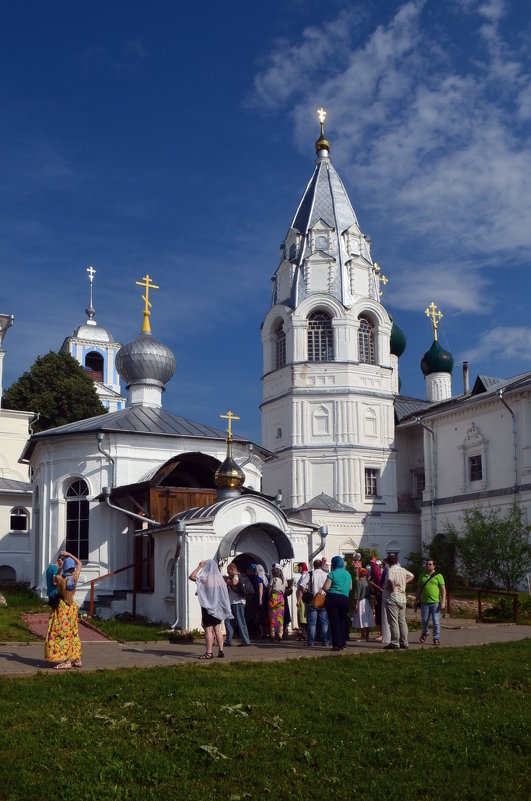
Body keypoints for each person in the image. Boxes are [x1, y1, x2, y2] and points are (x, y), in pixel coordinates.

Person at [44, 550, 82, 670]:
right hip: (73, 608)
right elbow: (80, 563)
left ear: (64, 567)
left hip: (62, 608)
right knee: (73, 633)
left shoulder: (61, 579)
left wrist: (60, 568)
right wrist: (70, 555)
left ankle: (67, 661)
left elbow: (54, 580)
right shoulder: (74, 578)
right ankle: (77, 659)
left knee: (61, 634)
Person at [189, 559, 232, 659]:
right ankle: (221, 651)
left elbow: (191, 577)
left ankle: (209, 653)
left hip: (208, 607)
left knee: (208, 630)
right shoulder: (219, 579)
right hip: (217, 608)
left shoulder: (205, 577)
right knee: (217, 630)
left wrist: (200, 566)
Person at [384, 553, 414, 650]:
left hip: (393, 598)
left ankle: (395, 643)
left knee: (393, 621)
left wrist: (392, 589)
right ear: (397, 561)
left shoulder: (390, 570)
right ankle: (404, 642)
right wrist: (403, 582)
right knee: (402, 621)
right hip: (402, 598)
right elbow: (412, 576)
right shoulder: (403, 570)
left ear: (388, 562)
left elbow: (390, 580)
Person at [323, 556, 352, 651]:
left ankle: (336, 645)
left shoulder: (332, 574)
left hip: (333, 598)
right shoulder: (348, 574)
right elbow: (350, 587)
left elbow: (326, 587)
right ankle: (343, 642)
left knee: (334, 621)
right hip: (345, 598)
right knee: (342, 621)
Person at [416, 558, 446, 646]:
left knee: (436, 621)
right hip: (425, 602)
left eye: (430, 564)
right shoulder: (422, 575)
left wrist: (443, 602)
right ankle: (425, 633)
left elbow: (443, 589)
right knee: (425, 620)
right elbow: (419, 589)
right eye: (427, 564)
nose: (428, 566)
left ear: (434, 566)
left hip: (435, 602)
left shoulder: (438, 576)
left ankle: (436, 638)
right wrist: (416, 600)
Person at [224, 562, 251, 647]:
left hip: (238, 602)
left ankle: (246, 641)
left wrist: (228, 581)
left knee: (240, 621)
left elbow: (234, 583)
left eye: (228, 571)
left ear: (232, 570)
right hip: (232, 602)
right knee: (228, 621)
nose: (228, 573)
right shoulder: (234, 576)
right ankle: (228, 640)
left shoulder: (237, 576)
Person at [306, 559, 330, 647]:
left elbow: (302, 584)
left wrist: (305, 590)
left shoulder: (311, 574)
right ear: (321, 565)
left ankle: (311, 642)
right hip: (323, 598)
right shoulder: (326, 574)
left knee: (312, 623)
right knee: (324, 622)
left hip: (313, 599)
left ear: (314, 565)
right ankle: (325, 641)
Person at [352, 568, 374, 641]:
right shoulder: (368, 582)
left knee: (362, 618)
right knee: (368, 619)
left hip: (361, 602)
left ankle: (363, 636)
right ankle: (367, 636)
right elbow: (372, 592)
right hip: (368, 602)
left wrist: (355, 604)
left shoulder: (358, 582)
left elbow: (357, 595)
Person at [268, 565, 286, 641]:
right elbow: (284, 590)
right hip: (281, 597)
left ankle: (272, 635)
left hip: (274, 596)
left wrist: (269, 597)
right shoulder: (283, 580)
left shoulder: (273, 579)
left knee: (272, 616)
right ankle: (280, 634)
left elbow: (270, 589)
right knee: (280, 617)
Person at [295, 562, 310, 641]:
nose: (298, 569)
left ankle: (305, 635)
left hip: (302, 598)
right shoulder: (304, 575)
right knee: (302, 616)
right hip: (302, 598)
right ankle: (304, 634)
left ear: (302, 567)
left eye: (299, 567)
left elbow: (302, 588)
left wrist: (298, 600)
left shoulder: (304, 575)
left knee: (302, 616)